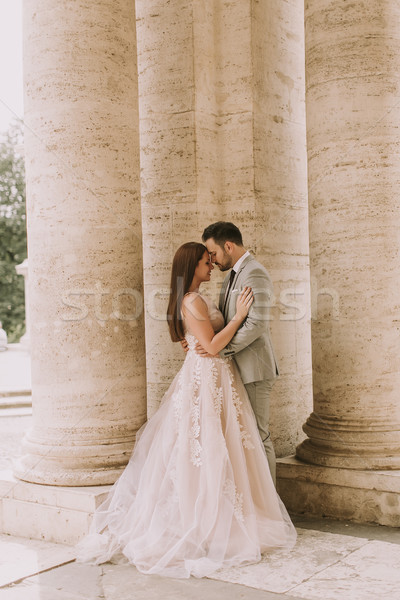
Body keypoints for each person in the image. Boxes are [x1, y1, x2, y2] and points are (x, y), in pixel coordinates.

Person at [76, 242, 296, 578]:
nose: (211, 266)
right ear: (192, 266)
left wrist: (199, 340)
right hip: (208, 376)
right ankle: (207, 522)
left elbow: (199, 342)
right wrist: (237, 316)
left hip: (216, 375)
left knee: (220, 444)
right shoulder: (192, 300)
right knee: (206, 446)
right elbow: (210, 346)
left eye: (211, 261)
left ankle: (220, 516)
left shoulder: (195, 298)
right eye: (206, 262)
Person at [198, 222, 279, 484]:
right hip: (237, 368)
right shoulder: (232, 274)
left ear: (228, 246)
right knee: (243, 438)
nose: (212, 260)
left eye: (214, 253)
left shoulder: (254, 273)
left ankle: (271, 507)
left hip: (253, 369)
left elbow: (256, 324)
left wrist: (221, 351)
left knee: (258, 436)